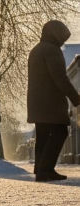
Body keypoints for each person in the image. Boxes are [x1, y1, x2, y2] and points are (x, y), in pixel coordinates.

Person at [27, 19, 80, 181]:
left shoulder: (37, 50)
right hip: (50, 102)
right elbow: (60, 78)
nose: (63, 42)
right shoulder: (52, 51)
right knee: (60, 132)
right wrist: (76, 98)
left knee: (43, 135)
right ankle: (46, 169)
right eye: (62, 38)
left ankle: (40, 168)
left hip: (37, 102)